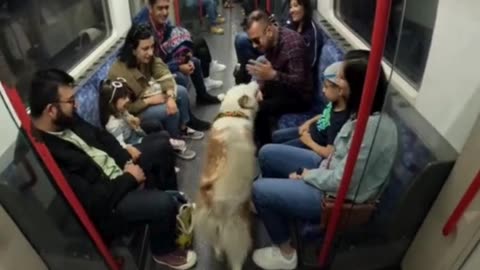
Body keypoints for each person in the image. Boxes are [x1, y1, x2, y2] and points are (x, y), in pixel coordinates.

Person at [28, 69, 197, 269]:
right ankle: (163, 250)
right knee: (163, 204)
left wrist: (125, 159)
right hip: (109, 201)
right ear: (51, 110)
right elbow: (92, 202)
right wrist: (129, 179)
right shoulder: (44, 154)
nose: (77, 104)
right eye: (71, 101)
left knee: (161, 144)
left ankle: (172, 205)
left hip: (119, 171)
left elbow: (102, 137)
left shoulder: (67, 119)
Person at [251, 53, 398, 270]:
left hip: (336, 196)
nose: (336, 82)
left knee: (259, 189)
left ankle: (285, 253)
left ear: (355, 86)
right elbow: (337, 154)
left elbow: (342, 182)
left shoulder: (371, 130)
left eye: (341, 78)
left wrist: (306, 175)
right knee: (266, 152)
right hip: (327, 168)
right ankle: (278, 204)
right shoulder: (359, 111)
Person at [108, 23, 205, 158]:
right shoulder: (118, 73)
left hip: (148, 94)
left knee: (181, 91)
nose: (151, 52)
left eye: (152, 47)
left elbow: (163, 72)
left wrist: (170, 97)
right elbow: (125, 109)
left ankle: (182, 128)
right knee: (167, 110)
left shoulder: (148, 58)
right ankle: (174, 144)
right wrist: (149, 101)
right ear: (133, 49)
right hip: (134, 113)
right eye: (145, 48)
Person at [244, 10, 313, 148]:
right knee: (252, 95)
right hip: (281, 84)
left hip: (299, 96)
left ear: (269, 30)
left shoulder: (292, 45)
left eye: (256, 40)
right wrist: (260, 86)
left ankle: (266, 148)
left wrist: (273, 75)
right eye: (251, 41)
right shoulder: (271, 41)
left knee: (259, 108)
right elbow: (269, 68)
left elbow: (299, 82)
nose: (254, 45)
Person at [145, 0, 226, 105]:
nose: (165, 12)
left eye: (166, 8)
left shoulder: (163, 24)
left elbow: (169, 49)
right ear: (150, 8)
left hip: (164, 62)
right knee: (180, 77)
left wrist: (184, 55)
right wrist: (178, 66)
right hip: (151, 72)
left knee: (195, 61)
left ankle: (202, 96)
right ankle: (186, 117)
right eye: (160, 8)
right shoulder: (147, 31)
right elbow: (154, 65)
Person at [99, 78, 193, 163]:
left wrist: (134, 120)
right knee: (162, 139)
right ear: (111, 102)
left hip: (136, 135)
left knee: (159, 129)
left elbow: (129, 117)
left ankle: (168, 150)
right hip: (132, 145)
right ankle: (167, 149)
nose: (127, 99)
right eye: (123, 98)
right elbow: (120, 145)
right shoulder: (112, 124)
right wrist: (130, 147)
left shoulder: (121, 110)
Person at [270, 61, 350, 158]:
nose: (323, 90)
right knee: (276, 136)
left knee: (273, 152)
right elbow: (324, 116)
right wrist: (308, 123)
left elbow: (329, 153)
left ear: (340, 90)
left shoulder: (339, 122)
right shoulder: (334, 103)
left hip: (312, 144)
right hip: (311, 131)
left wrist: (309, 142)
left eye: (326, 87)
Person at [235, 0, 321, 84]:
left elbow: (305, 69)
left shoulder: (304, 37)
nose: (291, 10)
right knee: (244, 43)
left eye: (296, 6)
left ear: (305, 7)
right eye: (290, 7)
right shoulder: (291, 23)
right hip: (280, 61)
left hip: (292, 77)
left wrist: (273, 74)